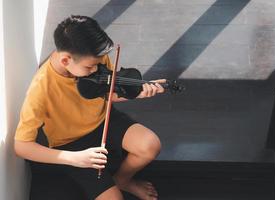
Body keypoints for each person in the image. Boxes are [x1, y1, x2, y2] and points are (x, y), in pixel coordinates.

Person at [14, 15, 165, 200]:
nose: (96, 70)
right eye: (90, 67)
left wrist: (134, 93)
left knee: (150, 145)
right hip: (72, 144)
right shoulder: (41, 88)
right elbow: (21, 146)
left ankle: (122, 180)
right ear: (65, 60)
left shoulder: (95, 60)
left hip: (103, 121)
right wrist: (74, 158)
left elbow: (106, 92)